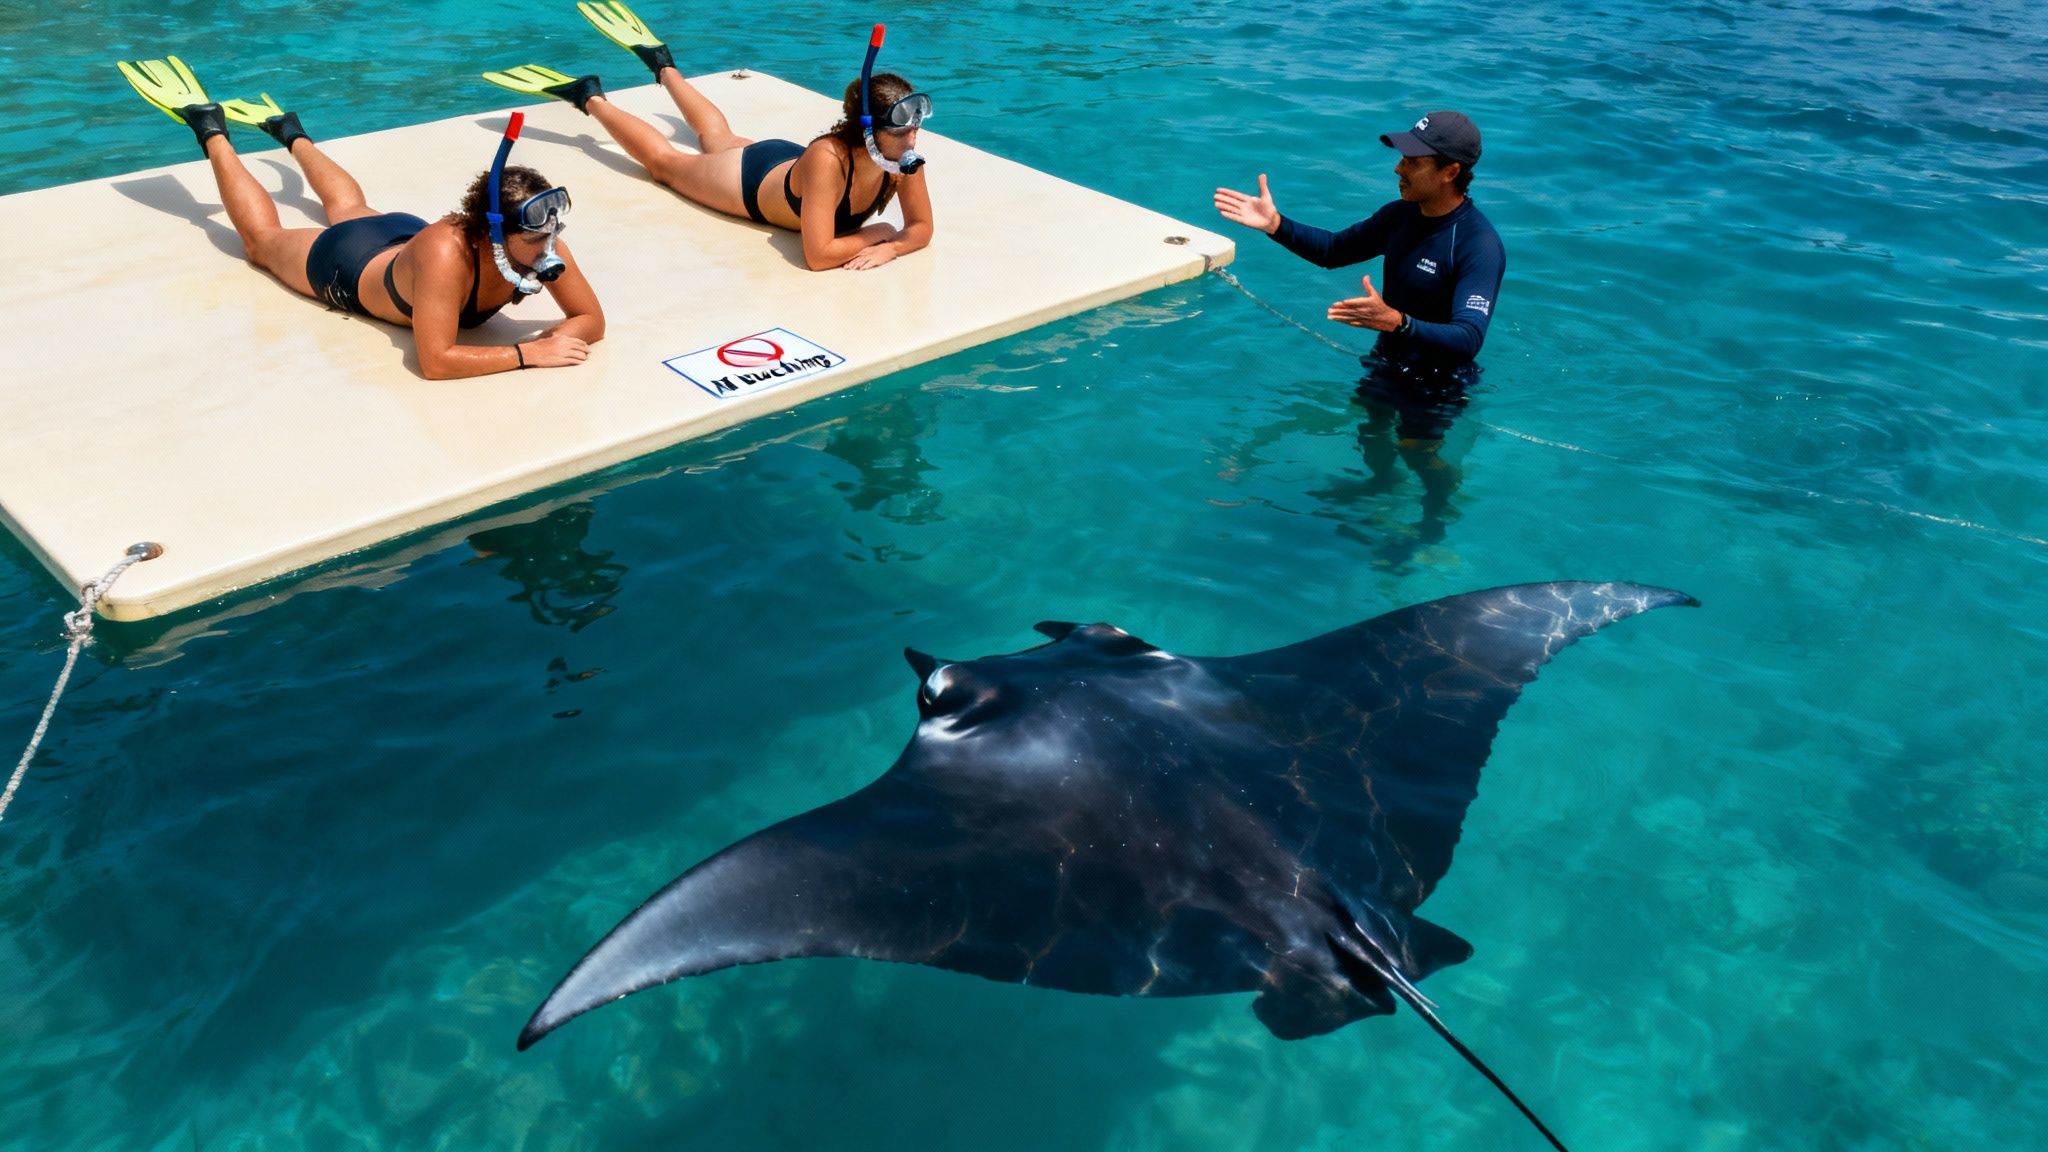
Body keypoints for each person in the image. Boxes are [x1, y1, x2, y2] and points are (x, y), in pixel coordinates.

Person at [116, 58, 604, 380]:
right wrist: (525, 354)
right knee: (264, 242)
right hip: (349, 264)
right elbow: (436, 361)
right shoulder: (445, 255)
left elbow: (590, 319)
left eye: (552, 232)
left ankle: (290, 133)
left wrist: (563, 334)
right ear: (493, 232)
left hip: (401, 240)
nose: (549, 245)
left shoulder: (541, 241)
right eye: (536, 236)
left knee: (350, 207)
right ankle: (210, 127)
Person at [1214, 110, 1505, 543]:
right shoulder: (1399, 216)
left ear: (1451, 171)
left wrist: (1398, 322)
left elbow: (1469, 338)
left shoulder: (1478, 245)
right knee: (1372, 429)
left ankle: (1433, 525)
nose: (1398, 168)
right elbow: (1333, 250)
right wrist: (1276, 226)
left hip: (1438, 378)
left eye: (1412, 161)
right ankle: (1380, 489)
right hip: (1387, 360)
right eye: (1402, 158)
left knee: (1418, 453)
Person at [486, 3, 934, 272]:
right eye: (903, 126)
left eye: (915, 124)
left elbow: (921, 229)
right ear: (870, 130)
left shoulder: (901, 154)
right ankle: (589, 97)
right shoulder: (829, 159)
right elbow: (818, 255)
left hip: (782, 167)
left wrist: (893, 248)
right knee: (664, 164)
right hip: (748, 183)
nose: (913, 134)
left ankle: (662, 63)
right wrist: (876, 231)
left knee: (717, 134)